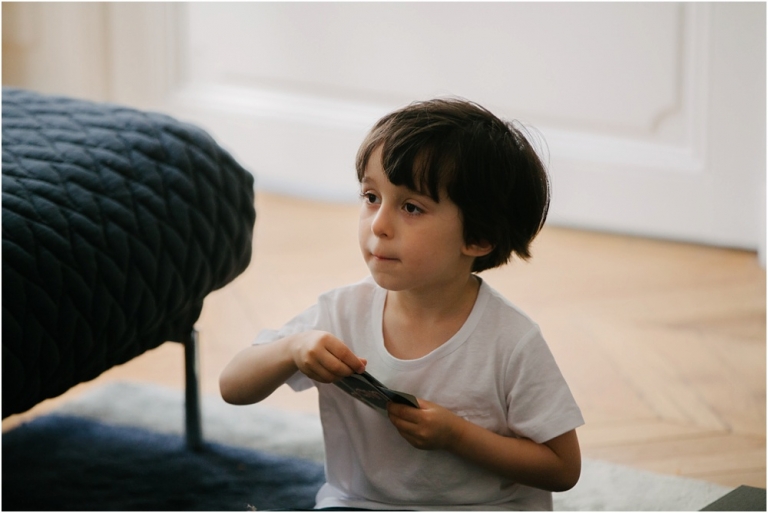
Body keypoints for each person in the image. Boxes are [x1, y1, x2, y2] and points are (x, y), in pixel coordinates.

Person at [220, 98, 584, 510]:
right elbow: (232, 387)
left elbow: (562, 468)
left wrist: (457, 436)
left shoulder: (511, 341)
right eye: (371, 197)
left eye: (411, 207)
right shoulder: (340, 313)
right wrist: (291, 350)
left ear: (478, 239)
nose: (378, 224)